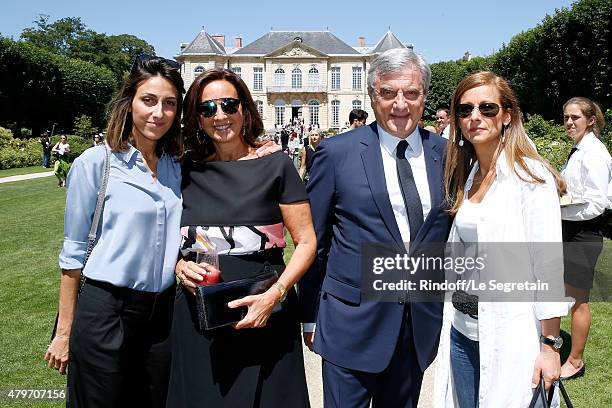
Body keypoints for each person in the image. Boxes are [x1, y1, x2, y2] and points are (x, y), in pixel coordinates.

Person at [299, 48, 451, 407]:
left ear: (424, 97)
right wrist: (309, 317)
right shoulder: (336, 154)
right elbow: (314, 241)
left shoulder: (447, 156)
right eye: (388, 93)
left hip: (416, 326)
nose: (400, 104)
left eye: (411, 93)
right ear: (372, 96)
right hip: (350, 323)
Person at [168, 68, 316, 407]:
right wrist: (179, 266)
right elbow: (164, 238)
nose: (219, 116)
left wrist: (276, 294)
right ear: (197, 117)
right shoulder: (184, 169)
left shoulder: (276, 165)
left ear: (244, 109)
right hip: (198, 316)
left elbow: (306, 241)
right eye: (207, 109)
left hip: (263, 312)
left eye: (228, 105)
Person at [44, 54, 185, 407]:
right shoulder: (96, 163)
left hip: (162, 316)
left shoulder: (177, 166)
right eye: (148, 100)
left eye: (169, 103)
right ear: (129, 102)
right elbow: (73, 253)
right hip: (107, 309)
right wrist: (64, 332)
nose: (158, 113)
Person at [433, 71, 571, 407]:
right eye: (464, 110)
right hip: (462, 332)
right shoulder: (468, 176)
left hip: (510, 335)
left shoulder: (530, 176)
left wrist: (550, 346)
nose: (475, 117)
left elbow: (548, 266)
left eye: (487, 108)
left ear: (507, 115)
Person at [559, 97, 611, 380]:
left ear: (591, 120)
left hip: (584, 233)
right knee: (565, 293)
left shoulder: (594, 153)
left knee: (579, 300)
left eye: (575, 117)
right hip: (570, 230)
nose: (569, 122)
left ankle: (576, 361)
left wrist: (560, 208)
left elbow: (598, 203)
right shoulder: (579, 149)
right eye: (566, 117)